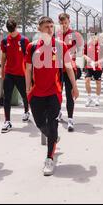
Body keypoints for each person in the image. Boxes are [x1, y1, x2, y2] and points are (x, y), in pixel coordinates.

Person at [25, 16, 79, 176]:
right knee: (41, 124)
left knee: (53, 125)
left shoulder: (60, 46)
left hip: (54, 92)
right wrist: (27, 87)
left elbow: (69, 67)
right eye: (47, 27)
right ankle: (52, 137)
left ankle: (49, 158)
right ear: (39, 29)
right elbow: (28, 69)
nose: (50, 29)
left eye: (51, 26)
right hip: (36, 93)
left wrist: (74, 87)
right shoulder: (32, 47)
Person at [0, 18, 31, 133]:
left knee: (24, 95)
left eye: (13, 29)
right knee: (6, 98)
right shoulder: (4, 41)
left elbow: (29, 58)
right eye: (10, 30)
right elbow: (3, 57)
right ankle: (7, 121)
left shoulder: (24, 40)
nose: (12, 32)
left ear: (16, 27)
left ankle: (27, 111)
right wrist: (2, 70)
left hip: (21, 74)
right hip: (9, 73)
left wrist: (30, 73)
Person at [56, 13, 84, 132]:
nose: (64, 25)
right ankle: (58, 113)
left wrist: (74, 56)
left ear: (69, 22)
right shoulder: (56, 35)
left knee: (69, 94)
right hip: (57, 68)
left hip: (70, 68)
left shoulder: (75, 35)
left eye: (65, 22)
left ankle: (71, 119)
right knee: (57, 93)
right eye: (61, 23)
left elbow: (80, 51)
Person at [83, 33, 103, 107]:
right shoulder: (88, 44)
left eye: (95, 37)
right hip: (89, 66)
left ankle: (97, 98)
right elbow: (84, 54)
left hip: (98, 67)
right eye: (92, 37)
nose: (94, 38)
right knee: (87, 81)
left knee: (98, 83)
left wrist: (97, 62)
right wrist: (88, 59)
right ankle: (89, 97)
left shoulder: (101, 46)